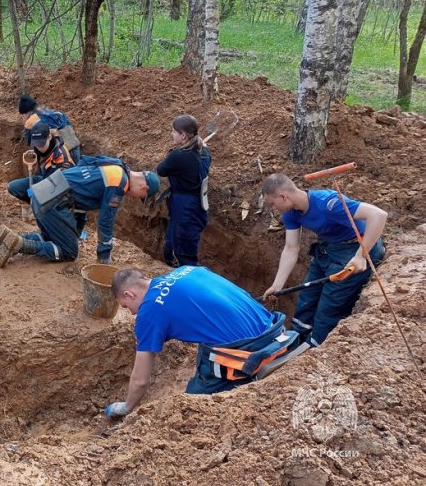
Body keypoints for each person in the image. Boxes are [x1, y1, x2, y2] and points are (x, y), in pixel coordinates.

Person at [104, 266, 297, 417]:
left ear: (129, 294)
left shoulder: (148, 312)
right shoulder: (188, 270)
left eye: (126, 306)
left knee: (186, 409)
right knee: (205, 344)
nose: (131, 312)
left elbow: (140, 380)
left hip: (250, 351)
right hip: (275, 329)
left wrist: (125, 407)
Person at [261, 173, 387, 347]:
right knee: (307, 298)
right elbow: (291, 248)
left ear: (283, 196)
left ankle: (315, 346)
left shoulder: (328, 203)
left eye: (272, 203)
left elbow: (378, 215)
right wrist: (277, 285)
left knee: (329, 307)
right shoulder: (291, 212)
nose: (273, 208)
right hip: (329, 248)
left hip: (357, 248)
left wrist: (360, 256)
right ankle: (297, 338)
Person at [0, 156, 159, 267]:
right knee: (69, 252)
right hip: (54, 202)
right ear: (144, 187)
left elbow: (83, 164)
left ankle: (12, 239)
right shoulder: (119, 184)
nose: (136, 197)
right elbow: (106, 221)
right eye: (141, 196)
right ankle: (22, 245)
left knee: (53, 239)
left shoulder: (114, 164)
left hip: (43, 191)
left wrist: (75, 230)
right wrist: (104, 256)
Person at [156, 114, 211, 267]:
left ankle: (189, 280)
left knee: (184, 250)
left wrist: (174, 154)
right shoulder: (205, 153)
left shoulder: (178, 156)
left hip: (185, 206)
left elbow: (161, 170)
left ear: (183, 136)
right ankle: (169, 262)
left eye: (174, 131)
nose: (171, 134)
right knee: (175, 239)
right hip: (197, 204)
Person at [6, 122, 75, 203]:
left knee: (34, 194)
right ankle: (36, 205)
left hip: (60, 189)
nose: (39, 148)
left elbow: (61, 187)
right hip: (46, 179)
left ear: (49, 137)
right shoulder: (40, 148)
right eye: (36, 144)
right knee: (13, 187)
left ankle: (42, 208)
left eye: (41, 144)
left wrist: (34, 192)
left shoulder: (61, 158)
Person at [19, 93, 82, 163]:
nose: (23, 117)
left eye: (23, 115)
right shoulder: (55, 113)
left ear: (26, 112)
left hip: (59, 155)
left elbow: (32, 142)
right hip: (75, 148)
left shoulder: (30, 122)